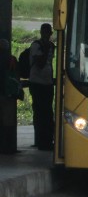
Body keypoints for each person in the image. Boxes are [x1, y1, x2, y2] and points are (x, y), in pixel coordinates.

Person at [29, 23, 55, 151]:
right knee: (40, 112)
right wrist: (45, 50)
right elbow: (40, 64)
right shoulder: (36, 46)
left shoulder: (51, 46)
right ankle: (40, 141)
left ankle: (47, 139)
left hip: (48, 83)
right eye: (45, 32)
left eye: (48, 32)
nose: (47, 34)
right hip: (37, 83)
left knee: (48, 113)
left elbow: (50, 64)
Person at [0, 39, 20, 154]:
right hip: (8, 94)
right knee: (8, 122)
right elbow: (16, 75)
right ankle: (8, 147)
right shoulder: (11, 59)